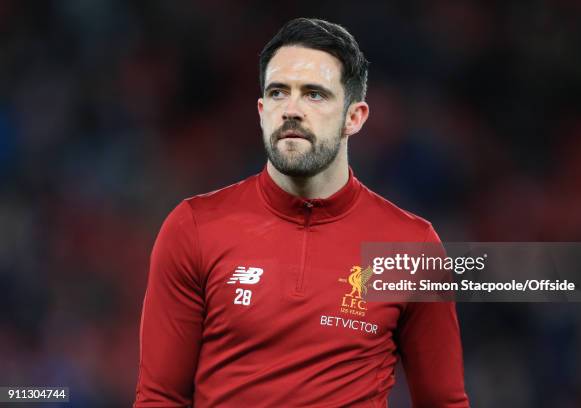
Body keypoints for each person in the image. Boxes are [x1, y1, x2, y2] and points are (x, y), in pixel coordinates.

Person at [134, 18, 469, 408]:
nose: (291, 109)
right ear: (261, 111)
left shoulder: (410, 247)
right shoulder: (193, 227)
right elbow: (159, 397)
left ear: (354, 117)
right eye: (278, 93)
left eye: (314, 94)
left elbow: (443, 402)